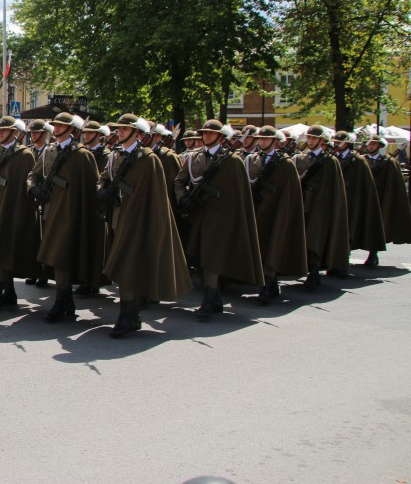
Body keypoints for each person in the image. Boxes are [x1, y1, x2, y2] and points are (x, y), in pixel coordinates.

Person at [100, 114, 191, 337]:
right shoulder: (116, 155)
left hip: (138, 221)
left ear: (138, 134)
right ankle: (131, 316)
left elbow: (154, 195)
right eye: (119, 129)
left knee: (125, 266)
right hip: (118, 217)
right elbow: (104, 177)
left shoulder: (148, 159)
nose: (120, 132)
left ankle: (126, 315)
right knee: (124, 267)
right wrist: (102, 190)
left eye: (125, 129)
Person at [175, 119, 263, 321]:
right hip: (198, 214)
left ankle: (208, 300)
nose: (206, 136)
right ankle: (214, 299)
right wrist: (183, 198)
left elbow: (239, 194)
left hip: (221, 218)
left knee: (211, 258)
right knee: (202, 258)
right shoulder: (193, 157)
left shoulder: (232, 161)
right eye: (204, 133)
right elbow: (179, 181)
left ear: (221, 137)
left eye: (210, 133)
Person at [28, 113, 106, 320]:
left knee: (62, 257)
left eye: (61, 125)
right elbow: (33, 175)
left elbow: (93, 187)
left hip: (71, 213)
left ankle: (61, 302)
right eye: (55, 125)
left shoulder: (82, 155)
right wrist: (34, 189)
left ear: (71, 130)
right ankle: (65, 301)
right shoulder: (49, 151)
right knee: (56, 257)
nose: (56, 128)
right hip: (51, 211)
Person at [0, 116, 44, 310]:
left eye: (4, 131)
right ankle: (9, 290)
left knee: (3, 249)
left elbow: (30, 181)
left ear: (14, 132)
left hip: (14, 211)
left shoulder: (24, 155)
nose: (0, 133)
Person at [244, 126, 307, 303]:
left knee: (273, 245)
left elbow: (290, 192)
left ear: (275, 141)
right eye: (260, 139)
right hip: (257, 209)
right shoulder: (252, 159)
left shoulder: (285, 163)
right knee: (259, 246)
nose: (262, 142)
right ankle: (267, 281)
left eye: (266, 139)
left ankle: (269, 280)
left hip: (275, 211)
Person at [293, 125, 349, 289]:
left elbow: (335, 188)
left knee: (316, 238)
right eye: (309, 138)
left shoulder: (330, 161)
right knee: (303, 237)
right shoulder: (299, 158)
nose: (310, 141)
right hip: (302, 203)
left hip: (320, 206)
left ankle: (315, 270)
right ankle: (306, 267)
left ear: (322, 140)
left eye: (314, 138)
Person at [332, 131, 386, 276]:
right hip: (336, 200)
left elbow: (365, 185)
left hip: (352, 201)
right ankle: (335, 262)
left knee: (349, 231)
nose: (336, 144)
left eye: (339, 142)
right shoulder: (333, 158)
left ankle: (344, 263)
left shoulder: (358, 161)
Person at [364, 134, 411, 266]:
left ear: (379, 146)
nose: (370, 146)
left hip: (380, 199)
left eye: (373, 144)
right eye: (369, 144)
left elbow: (394, 184)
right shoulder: (362, 160)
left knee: (376, 227)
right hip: (364, 197)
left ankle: (373, 254)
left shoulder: (389, 162)